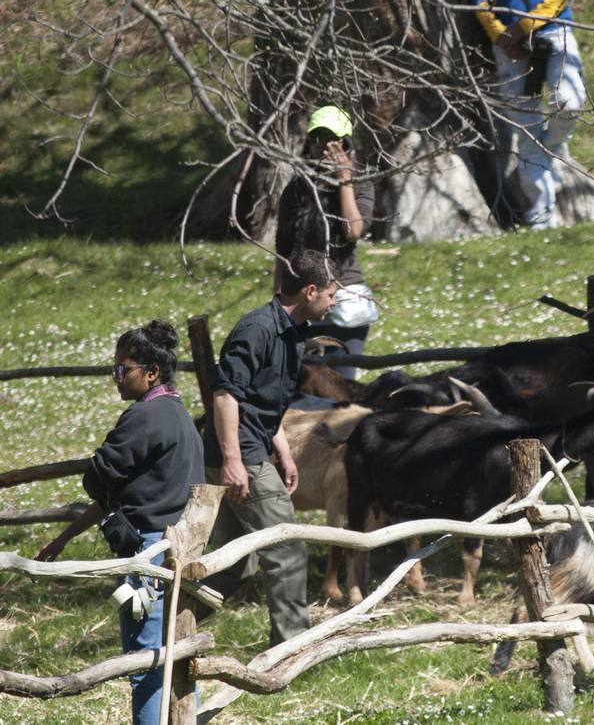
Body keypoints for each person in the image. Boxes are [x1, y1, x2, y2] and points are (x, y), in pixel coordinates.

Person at [37, 321, 204, 724]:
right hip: (177, 551)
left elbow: (97, 478)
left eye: (121, 369)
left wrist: (96, 465)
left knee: (145, 663)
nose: (115, 378)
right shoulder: (179, 416)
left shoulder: (144, 417)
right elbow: (118, 496)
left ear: (152, 373)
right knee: (174, 657)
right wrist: (64, 538)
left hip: (144, 558)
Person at [203, 249, 338, 647]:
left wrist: (282, 450)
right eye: (331, 294)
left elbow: (265, 401)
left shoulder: (292, 332)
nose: (333, 302)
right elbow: (226, 396)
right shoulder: (257, 329)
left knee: (236, 561)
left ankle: (166, 623)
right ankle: (292, 648)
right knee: (287, 551)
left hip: (252, 449)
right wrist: (233, 462)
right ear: (310, 291)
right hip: (239, 453)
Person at [471, 0, 585, 230]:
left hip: (554, 31)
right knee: (525, 129)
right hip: (507, 43)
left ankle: (551, 152)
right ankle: (540, 219)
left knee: (570, 102)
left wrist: (528, 24)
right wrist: (499, 33)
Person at [275, 104, 376, 379]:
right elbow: (283, 251)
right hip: (303, 297)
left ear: (347, 145)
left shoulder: (362, 185)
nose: (324, 147)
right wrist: (278, 303)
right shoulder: (296, 190)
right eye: (317, 139)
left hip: (344, 297)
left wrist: (344, 180)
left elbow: (353, 230)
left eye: (333, 140)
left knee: (341, 383)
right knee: (304, 381)